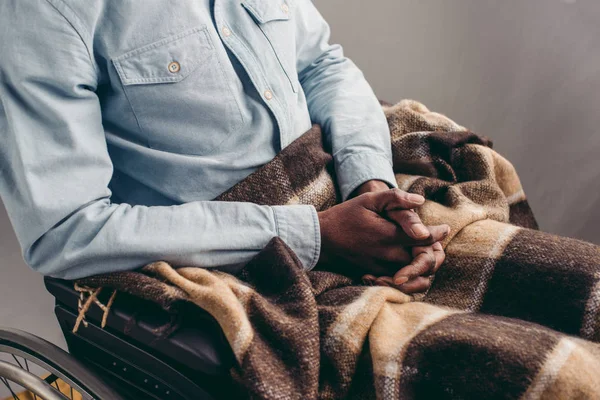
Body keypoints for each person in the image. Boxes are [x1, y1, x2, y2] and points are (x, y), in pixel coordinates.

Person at [0, 0, 449, 294]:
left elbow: (321, 64)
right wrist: (313, 236)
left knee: (516, 276)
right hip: (229, 274)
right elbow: (65, 231)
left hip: (346, 205)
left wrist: (372, 191)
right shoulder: (40, 13)